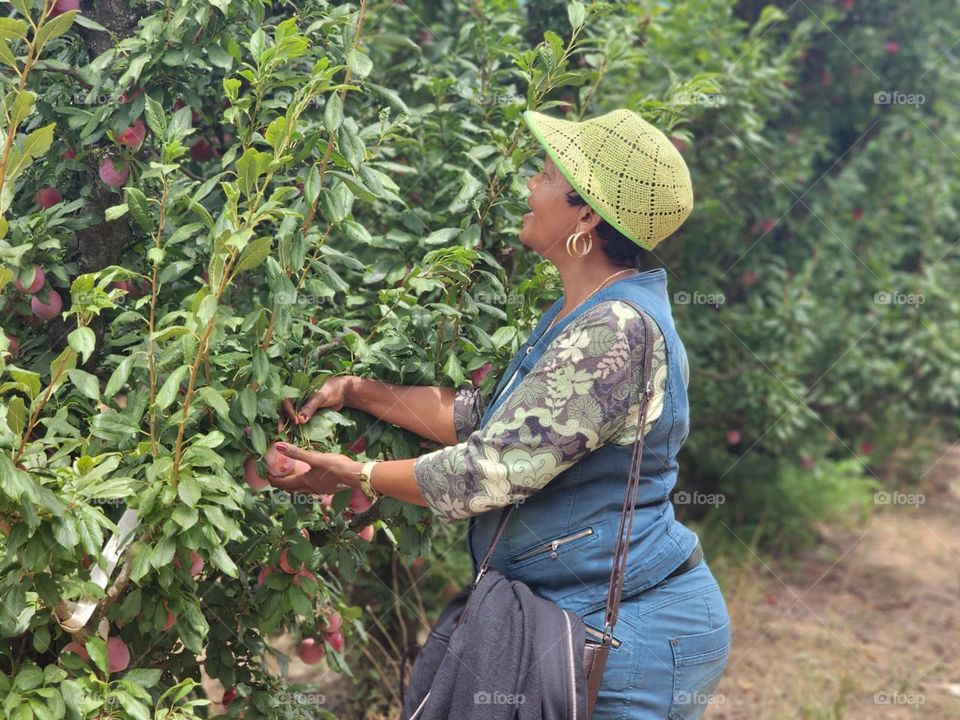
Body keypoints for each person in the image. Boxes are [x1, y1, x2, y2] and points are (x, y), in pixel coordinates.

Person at [268, 108, 730, 719]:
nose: (529, 189)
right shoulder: (584, 310)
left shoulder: (616, 330)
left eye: (543, 175)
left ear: (585, 214)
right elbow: (486, 420)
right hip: (582, 616)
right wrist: (354, 390)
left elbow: (488, 468)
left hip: (629, 636)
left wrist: (356, 475)